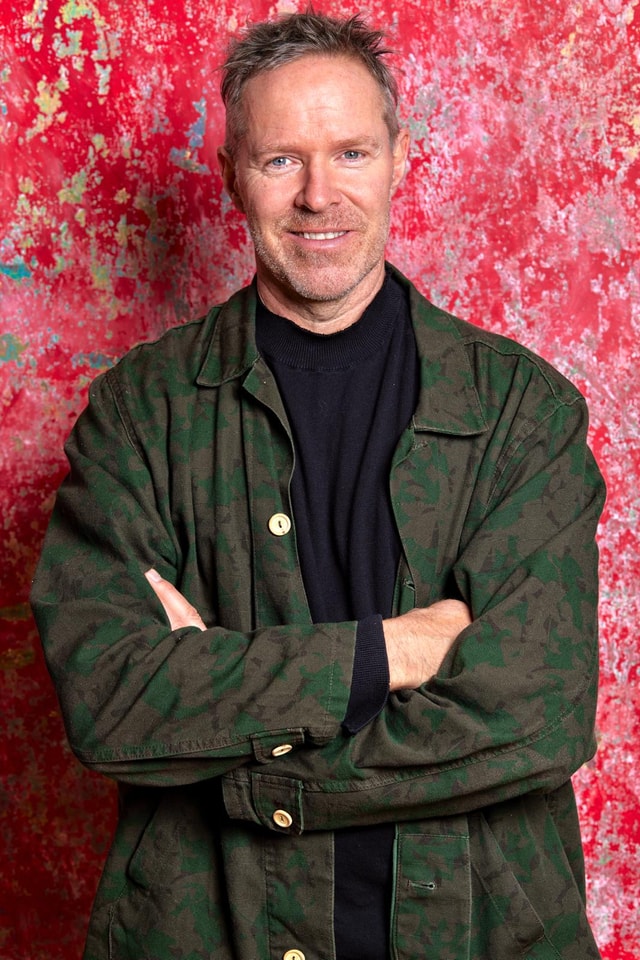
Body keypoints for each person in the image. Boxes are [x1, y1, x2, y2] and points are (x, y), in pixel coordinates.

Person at [30, 11, 606, 960]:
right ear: (232, 175)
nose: (318, 195)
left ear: (400, 159)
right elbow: (112, 701)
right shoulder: (141, 414)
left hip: (483, 932)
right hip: (208, 932)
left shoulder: (521, 412)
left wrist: (251, 765)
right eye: (280, 161)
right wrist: (393, 652)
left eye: (351, 152)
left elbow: (536, 714)